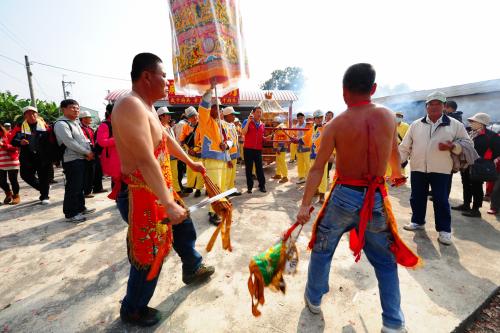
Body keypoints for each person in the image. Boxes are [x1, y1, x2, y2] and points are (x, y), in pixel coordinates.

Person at [296, 63, 412, 333]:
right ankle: (393, 323)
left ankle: (313, 299)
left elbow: (317, 169)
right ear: (373, 89)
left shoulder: (335, 124)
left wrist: (304, 205)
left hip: (343, 195)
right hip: (375, 198)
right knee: (385, 262)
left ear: (344, 91)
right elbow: (394, 149)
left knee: (322, 250)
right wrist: (396, 173)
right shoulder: (388, 117)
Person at [112, 53, 215, 327]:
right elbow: (146, 158)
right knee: (150, 252)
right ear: (146, 76)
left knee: (183, 227)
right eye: (163, 75)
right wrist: (168, 202)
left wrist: (189, 162)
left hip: (159, 188)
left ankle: (192, 266)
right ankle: (132, 308)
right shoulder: (130, 105)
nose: (168, 82)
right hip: (141, 193)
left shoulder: (147, 107)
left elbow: (165, 141)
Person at [399, 91, 472, 245]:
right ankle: (417, 221)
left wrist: (453, 146)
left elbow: (468, 144)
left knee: (441, 200)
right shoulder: (416, 124)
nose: (434, 107)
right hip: (418, 168)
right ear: (426, 107)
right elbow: (405, 147)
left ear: (444, 106)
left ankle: (444, 230)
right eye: (431, 104)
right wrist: (397, 165)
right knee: (417, 197)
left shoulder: (455, 125)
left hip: (441, 169)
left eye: (438, 103)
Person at [54, 99, 96, 223]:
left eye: (77, 108)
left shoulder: (75, 123)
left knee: (80, 186)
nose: (76, 110)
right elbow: (70, 142)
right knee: (73, 187)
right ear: (63, 109)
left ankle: (80, 208)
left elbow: (82, 140)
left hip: (81, 158)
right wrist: (87, 152)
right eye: (73, 107)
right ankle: (71, 213)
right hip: (71, 160)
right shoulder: (61, 124)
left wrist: (88, 152)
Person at [452, 113, 500, 217]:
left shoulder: (491, 136)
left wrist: (485, 159)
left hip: (479, 165)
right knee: (466, 184)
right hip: (466, 164)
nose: (471, 123)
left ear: (481, 124)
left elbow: (497, 151)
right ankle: (466, 204)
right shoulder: (469, 133)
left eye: (473, 121)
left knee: (476, 187)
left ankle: (476, 209)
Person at [11, 106, 52, 204]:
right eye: (28, 113)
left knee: (44, 176)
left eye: (33, 113)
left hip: (42, 156)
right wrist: (20, 142)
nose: (31, 115)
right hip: (27, 157)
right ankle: (43, 187)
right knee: (25, 175)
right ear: (25, 115)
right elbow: (12, 140)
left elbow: (51, 140)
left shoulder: (44, 126)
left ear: (37, 114)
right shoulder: (19, 126)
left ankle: (45, 196)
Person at [302, 110, 329, 203]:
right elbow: (306, 138)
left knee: (323, 175)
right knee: (313, 175)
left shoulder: (326, 128)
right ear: (314, 119)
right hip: (313, 155)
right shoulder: (313, 129)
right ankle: (316, 190)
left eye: (321, 117)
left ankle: (322, 195)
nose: (319, 119)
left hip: (322, 156)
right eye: (317, 118)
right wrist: (297, 140)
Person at [157, 106, 184, 196]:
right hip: (164, 156)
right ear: (161, 116)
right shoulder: (158, 128)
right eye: (167, 115)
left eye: (169, 115)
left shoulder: (168, 127)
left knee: (174, 175)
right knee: (167, 176)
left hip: (173, 156)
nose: (169, 117)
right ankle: (174, 194)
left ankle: (176, 193)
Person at [178, 106, 203, 197]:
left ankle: (199, 189)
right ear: (188, 118)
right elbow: (182, 138)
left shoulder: (201, 125)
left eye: (195, 115)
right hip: (190, 152)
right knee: (190, 170)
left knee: (200, 171)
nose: (195, 118)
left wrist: (195, 149)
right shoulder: (186, 126)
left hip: (200, 152)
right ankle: (190, 186)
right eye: (192, 116)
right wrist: (187, 148)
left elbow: (203, 139)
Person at [242, 106, 267, 193]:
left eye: (260, 112)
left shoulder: (262, 125)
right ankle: (249, 187)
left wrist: (265, 138)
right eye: (257, 112)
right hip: (248, 149)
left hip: (258, 149)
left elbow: (261, 136)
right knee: (248, 169)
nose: (259, 114)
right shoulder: (247, 121)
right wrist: (248, 122)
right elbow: (243, 133)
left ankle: (262, 186)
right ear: (253, 113)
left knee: (259, 168)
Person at [97, 104, 120, 189]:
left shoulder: (119, 123)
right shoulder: (105, 125)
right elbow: (102, 142)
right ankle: (119, 201)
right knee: (117, 182)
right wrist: (118, 138)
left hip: (121, 156)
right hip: (112, 158)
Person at [79, 110, 102, 198]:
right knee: (89, 173)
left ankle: (98, 188)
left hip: (93, 150)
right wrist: (86, 154)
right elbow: (82, 142)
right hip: (87, 152)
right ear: (83, 119)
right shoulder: (80, 129)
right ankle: (87, 191)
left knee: (97, 170)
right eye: (89, 118)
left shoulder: (90, 128)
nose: (90, 119)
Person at [222, 106, 242, 195]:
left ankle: (231, 189)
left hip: (234, 153)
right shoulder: (222, 125)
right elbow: (224, 142)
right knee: (227, 175)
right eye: (232, 115)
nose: (234, 116)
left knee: (232, 174)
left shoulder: (233, 125)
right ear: (227, 116)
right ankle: (225, 192)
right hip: (228, 155)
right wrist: (228, 158)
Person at [0, 124, 20, 204]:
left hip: (11, 161)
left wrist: (3, 145)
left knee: (13, 180)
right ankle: (8, 194)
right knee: (1, 181)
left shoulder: (9, 135)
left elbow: (16, 147)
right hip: (1, 163)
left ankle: (16, 196)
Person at [294, 112, 311, 184]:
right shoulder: (297, 125)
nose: (300, 119)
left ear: (304, 118)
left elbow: (309, 134)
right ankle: (301, 176)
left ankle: (309, 178)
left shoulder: (307, 125)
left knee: (307, 162)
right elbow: (296, 134)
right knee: (300, 161)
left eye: (301, 117)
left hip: (306, 145)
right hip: (299, 144)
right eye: (298, 118)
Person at [271, 116, 289, 183]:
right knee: (278, 161)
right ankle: (278, 174)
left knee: (282, 161)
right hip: (279, 147)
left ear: (277, 122)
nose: (273, 124)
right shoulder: (279, 128)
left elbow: (282, 138)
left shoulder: (281, 128)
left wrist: (278, 148)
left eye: (274, 122)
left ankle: (285, 176)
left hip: (281, 147)